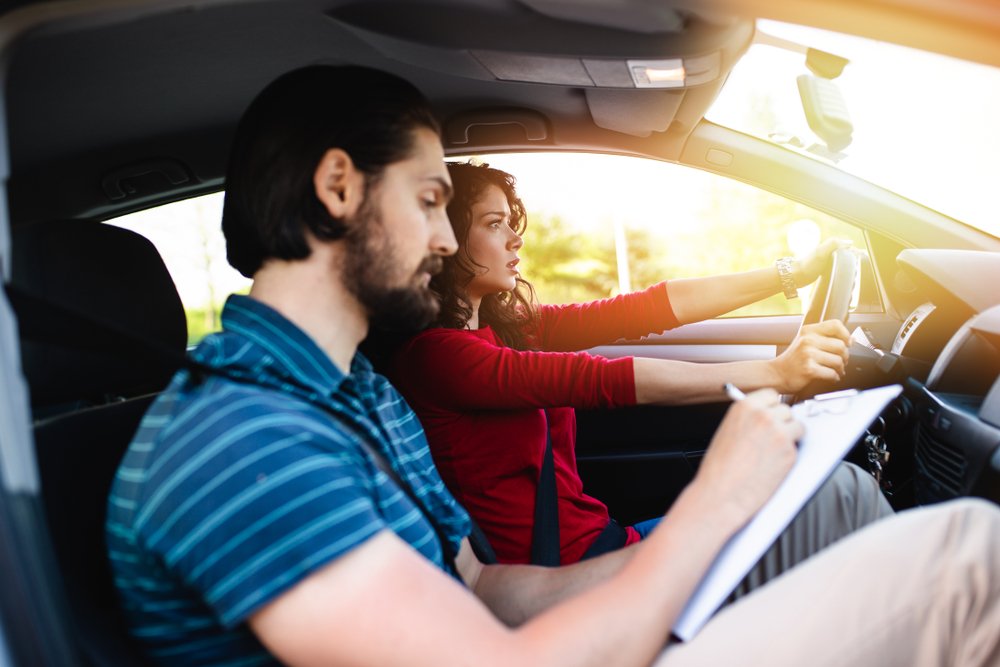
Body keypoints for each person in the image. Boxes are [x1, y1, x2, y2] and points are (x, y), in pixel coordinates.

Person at [106, 64, 1000, 667]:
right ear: (338, 189)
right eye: (430, 201)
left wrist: (721, 518)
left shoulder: (357, 397)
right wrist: (715, 503)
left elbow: (492, 589)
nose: (451, 238)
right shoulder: (237, 438)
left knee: (828, 506)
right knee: (966, 556)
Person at [387, 160, 882, 564]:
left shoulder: (509, 329)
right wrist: (775, 373)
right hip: (571, 573)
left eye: (509, 223)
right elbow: (600, 379)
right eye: (494, 225)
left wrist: (789, 274)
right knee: (840, 499)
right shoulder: (438, 355)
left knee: (823, 501)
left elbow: (645, 309)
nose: (515, 239)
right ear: (446, 241)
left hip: (601, 543)